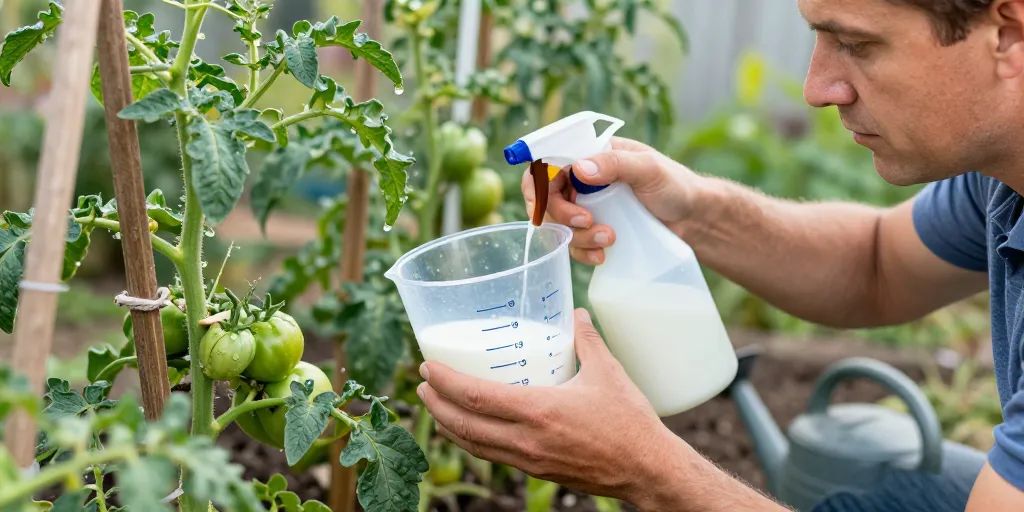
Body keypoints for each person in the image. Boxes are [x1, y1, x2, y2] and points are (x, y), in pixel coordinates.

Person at [415, 0, 1024, 510]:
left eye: (857, 44)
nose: (817, 89)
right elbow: (877, 264)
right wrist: (688, 207)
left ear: (1008, 33)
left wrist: (644, 468)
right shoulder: (1002, 175)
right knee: (887, 489)